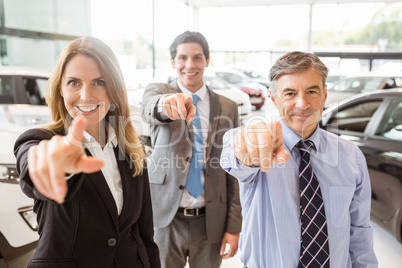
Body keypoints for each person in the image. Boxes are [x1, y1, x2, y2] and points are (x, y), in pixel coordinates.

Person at [220, 51, 378, 267]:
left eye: (312, 91)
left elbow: (359, 233)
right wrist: (248, 143)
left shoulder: (351, 156)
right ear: (274, 99)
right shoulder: (263, 149)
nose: (302, 104)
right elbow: (235, 151)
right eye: (290, 93)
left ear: (324, 95)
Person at [14, 36, 160, 268]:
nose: (85, 95)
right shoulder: (40, 140)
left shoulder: (131, 149)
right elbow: (34, 165)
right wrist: (57, 167)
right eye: (73, 82)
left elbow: (144, 234)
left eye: (99, 82)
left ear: (113, 89)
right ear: (60, 89)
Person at [141, 31, 242, 268]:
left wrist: (234, 226)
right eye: (183, 58)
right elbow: (150, 108)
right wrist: (166, 105)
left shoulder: (228, 107)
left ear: (207, 61)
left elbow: (233, 169)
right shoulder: (158, 92)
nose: (190, 65)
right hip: (165, 218)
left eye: (197, 57)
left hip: (211, 221)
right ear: (173, 62)